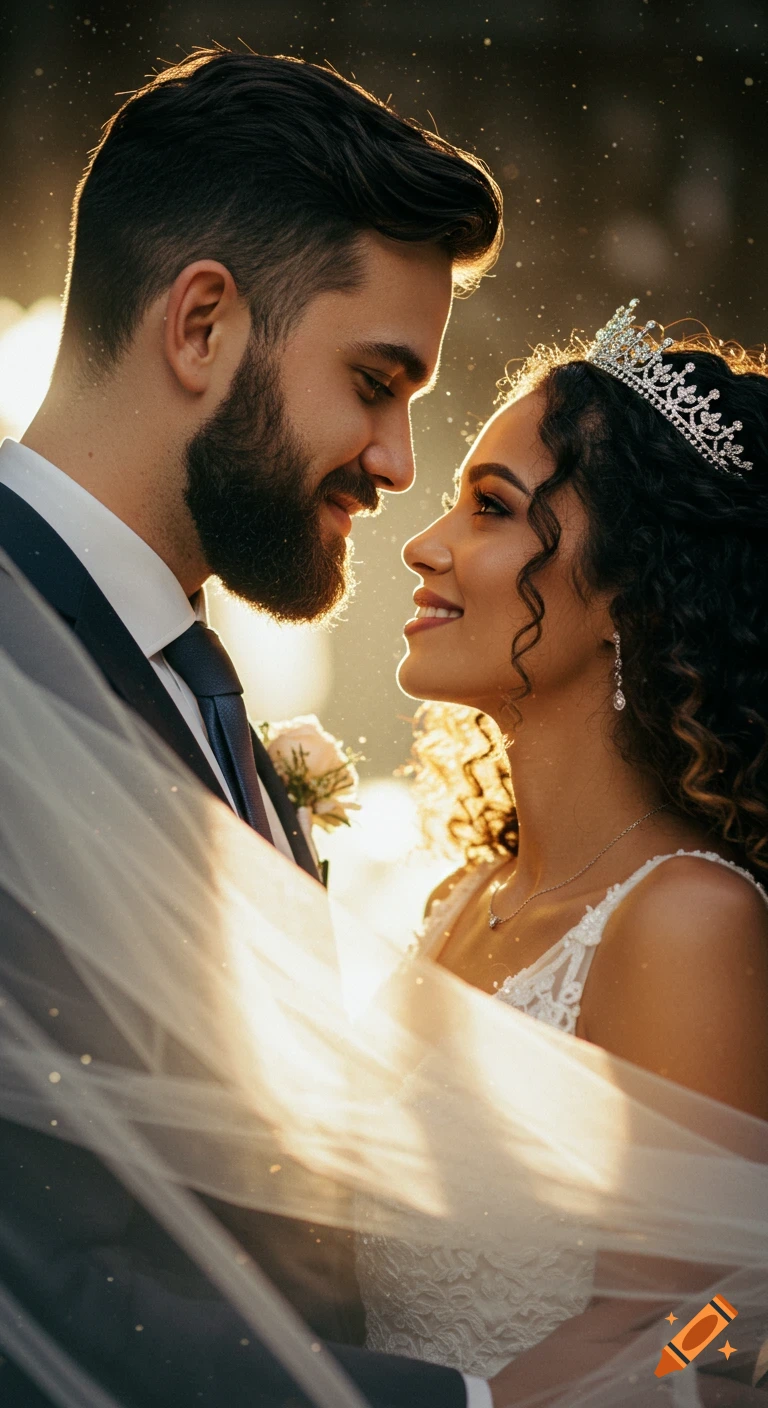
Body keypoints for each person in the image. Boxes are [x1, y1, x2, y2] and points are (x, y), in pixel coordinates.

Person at [0, 44, 503, 1408]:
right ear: (203, 325)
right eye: (378, 380)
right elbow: (30, 1297)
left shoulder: (196, 682)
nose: (403, 462)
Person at [354, 301, 768, 1401]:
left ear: (632, 587)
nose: (425, 544)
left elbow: (710, 1315)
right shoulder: (456, 900)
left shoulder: (686, 921)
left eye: (491, 509)